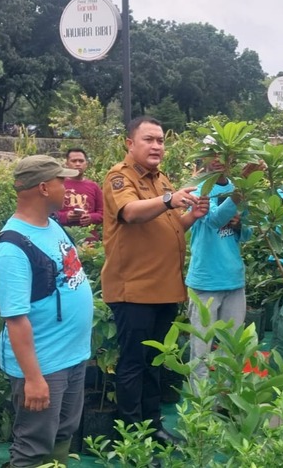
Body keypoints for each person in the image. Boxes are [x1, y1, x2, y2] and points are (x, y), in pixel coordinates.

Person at [101, 116, 208, 444]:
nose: (157, 146)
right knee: (134, 363)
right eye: (148, 139)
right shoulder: (120, 177)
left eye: (160, 140)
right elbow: (131, 212)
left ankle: (152, 425)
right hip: (134, 290)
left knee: (154, 362)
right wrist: (168, 200)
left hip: (164, 290)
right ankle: (132, 436)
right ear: (130, 143)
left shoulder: (161, 179)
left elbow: (171, 227)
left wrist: (191, 216)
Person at [0, 155, 93, 467]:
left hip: (72, 356)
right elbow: (16, 320)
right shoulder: (11, 248)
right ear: (44, 188)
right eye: (62, 181)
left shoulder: (51, 226)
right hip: (44, 364)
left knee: (63, 433)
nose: (68, 187)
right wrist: (33, 379)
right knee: (33, 445)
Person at [186, 155, 253, 390]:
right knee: (201, 351)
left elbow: (248, 233)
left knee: (231, 350)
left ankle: (227, 402)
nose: (217, 159)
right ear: (203, 158)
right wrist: (243, 186)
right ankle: (201, 406)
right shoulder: (199, 189)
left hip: (234, 281)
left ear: (231, 156)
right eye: (212, 154)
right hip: (205, 282)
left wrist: (240, 225)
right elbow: (214, 220)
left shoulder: (238, 189)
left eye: (222, 154)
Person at [55, 148, 103, 239]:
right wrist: (65, 216)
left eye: (81, 161)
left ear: (86, 164)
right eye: (74, 161)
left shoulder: (94, 186)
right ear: (67, 163)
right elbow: (48, 212)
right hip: (63, 238)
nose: (77, 164)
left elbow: (103, 212)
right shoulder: (58, 184)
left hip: (89, 241)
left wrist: (91, 217)